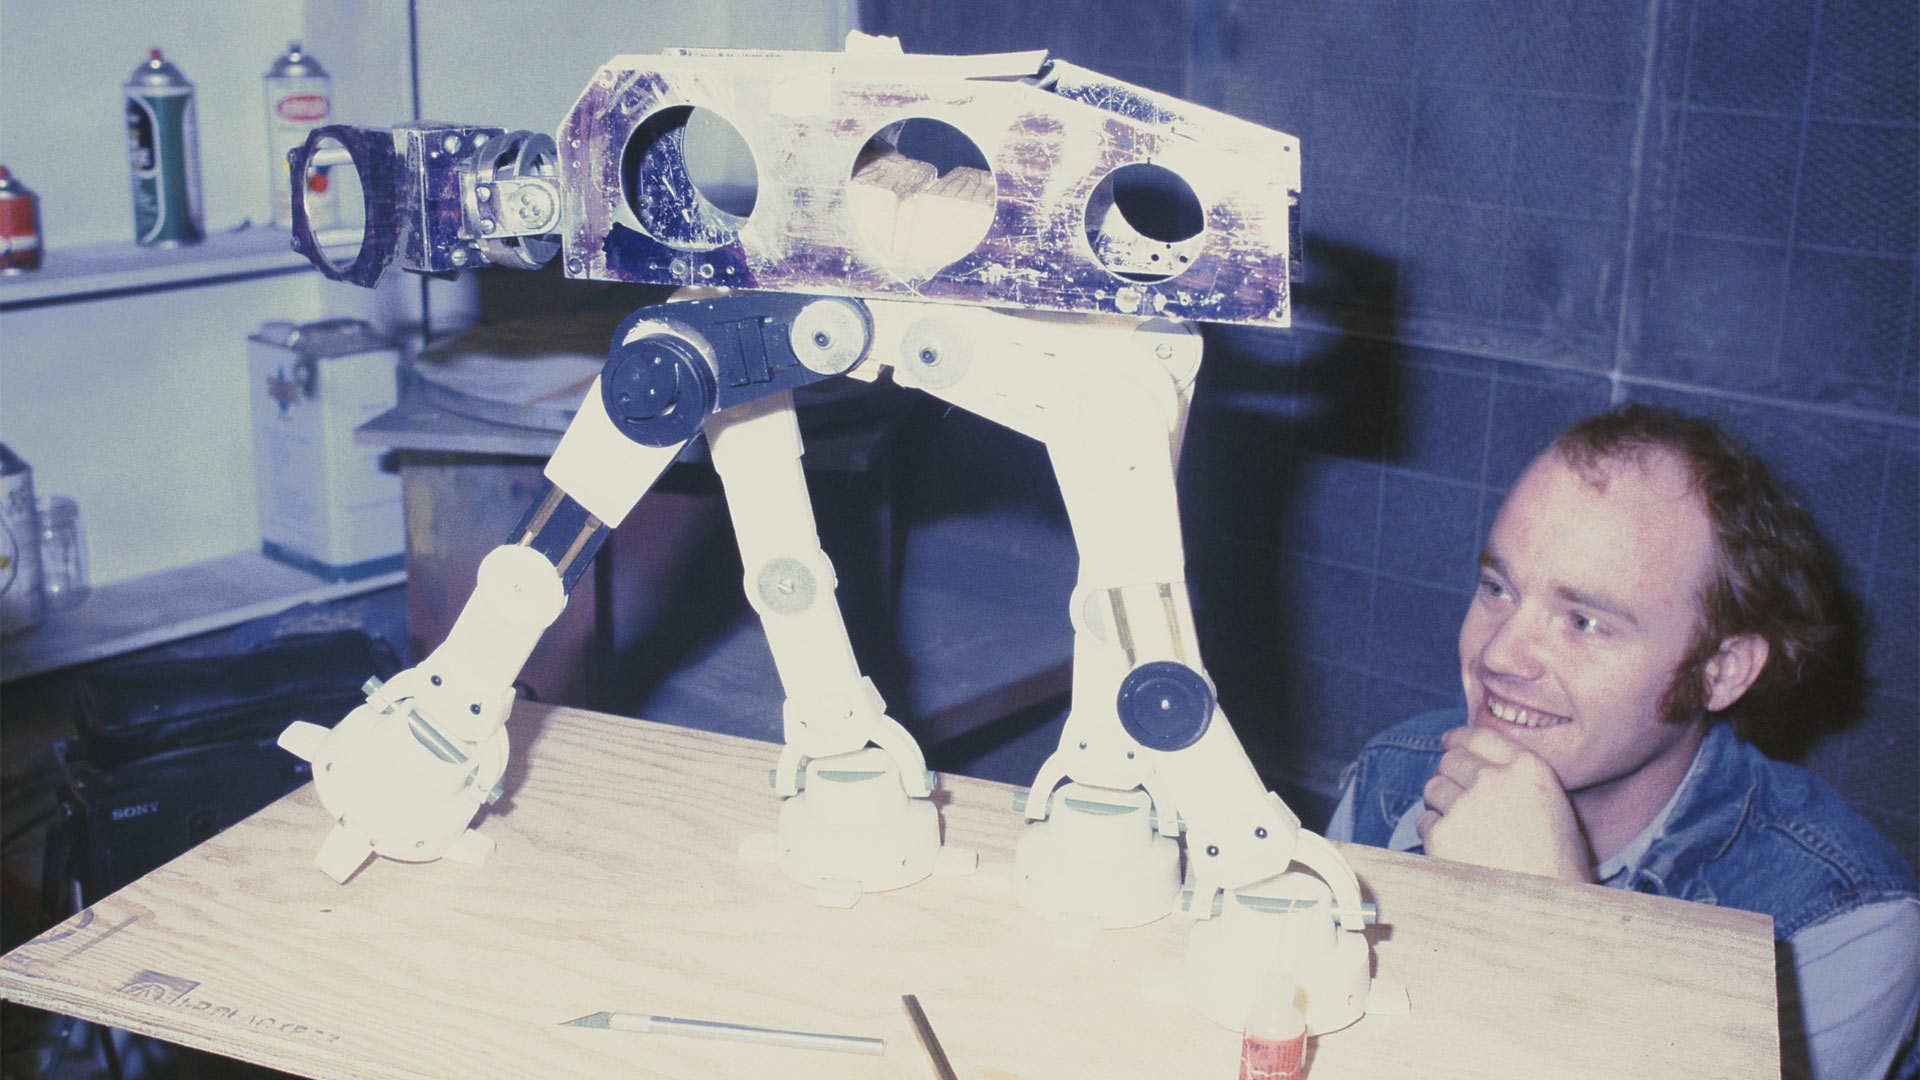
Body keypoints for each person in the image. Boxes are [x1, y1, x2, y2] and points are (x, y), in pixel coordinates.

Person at [1325, 404, 1919, 1080]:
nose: (1499, 655)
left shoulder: (1838, 921)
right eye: (1497, 588)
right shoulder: (1390, 779)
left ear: (1719, 671)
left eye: (1584, 622)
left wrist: (1560, 927)